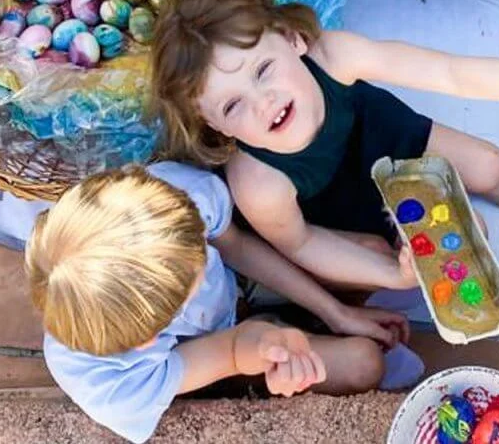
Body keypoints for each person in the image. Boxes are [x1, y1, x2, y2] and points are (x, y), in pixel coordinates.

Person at [150, 0, 499, 307]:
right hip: (342, 204)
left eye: (263, 69)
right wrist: (395, 275)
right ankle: (488, 272)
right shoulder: (257, 183)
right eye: (233, 105)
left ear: (292, 39)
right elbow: (301, 243)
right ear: (215, 125)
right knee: (453, 240)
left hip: (394, 141)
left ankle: (476, 200)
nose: (263, 103)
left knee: (488, 164)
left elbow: (456, 74)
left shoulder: (337, 56)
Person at [25, 164, 413, 443]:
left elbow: (236, 247)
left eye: (199, 263)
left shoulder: (177, 201)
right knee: (365, 364)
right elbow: (228, 351)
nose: (204, 268)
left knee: (373, 255)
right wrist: (269, 347)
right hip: (210, 356)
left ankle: (321, 320)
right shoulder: (107, 381)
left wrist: (338, 313)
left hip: (237, 296)